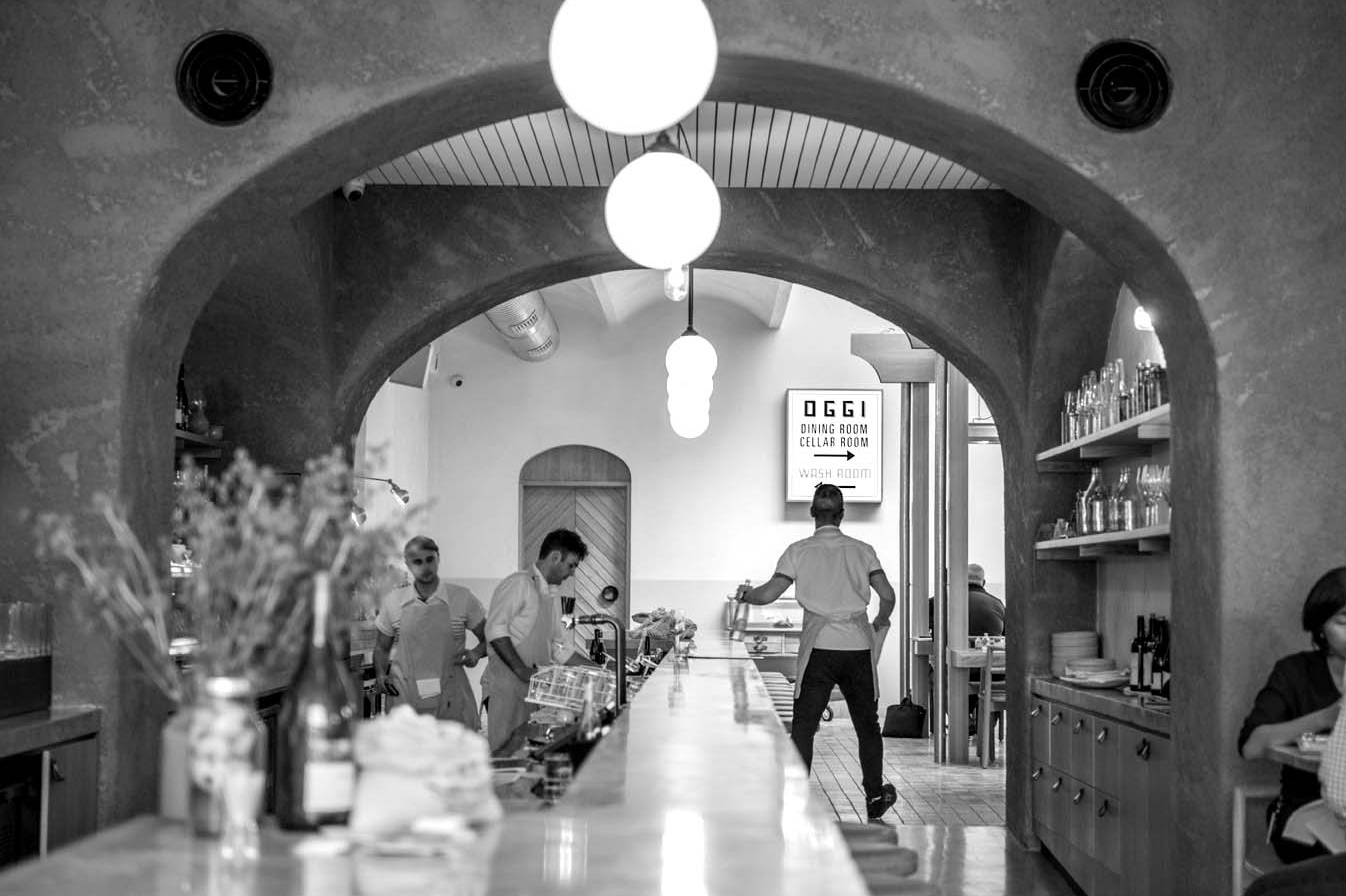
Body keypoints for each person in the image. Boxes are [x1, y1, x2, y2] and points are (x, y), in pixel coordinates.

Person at [736, 483, 899, 821]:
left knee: (804, 726)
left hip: (818, 650)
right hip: (857, 648)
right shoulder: (863, 550)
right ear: (842, 515)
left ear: (812, 513)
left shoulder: (798, 551)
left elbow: (767, 595)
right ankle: (873, 796)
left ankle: (795, 796)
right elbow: (887, 595)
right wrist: (881, 620)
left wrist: (745, 594)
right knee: (867, 726)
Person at [1239, 566, 1346, 864]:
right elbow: (1251, 746)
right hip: (1304, 810)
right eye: (1344, 621)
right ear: (1320, 628)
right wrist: (1327, 717)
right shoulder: (1295, 672)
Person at [483, 528, 588, 754]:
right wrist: (520, 669)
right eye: (571, 565)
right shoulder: (518, 584)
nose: (571, 573)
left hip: (534, 689)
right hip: (507, 688)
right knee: (506, 753)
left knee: (528, 751)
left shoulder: (553, 595)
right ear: (555, 557)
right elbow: (494, 628)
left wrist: (601, 671)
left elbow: (559, 648)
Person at [373, 536, 488, 729]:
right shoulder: (393, 601)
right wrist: (380, 675)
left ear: (438, 558)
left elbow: (489, 638)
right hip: (405, 697)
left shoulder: (462, 598)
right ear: (408, 565)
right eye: (418, 562)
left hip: (450, 696)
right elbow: (381, 648)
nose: (425, 567)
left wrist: (476, 653)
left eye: (430, 560)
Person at [966, 563, 1006, 637]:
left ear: (962, 580)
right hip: (989, 644)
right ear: (984, 582)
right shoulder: (998, 603)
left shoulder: (950, 602)